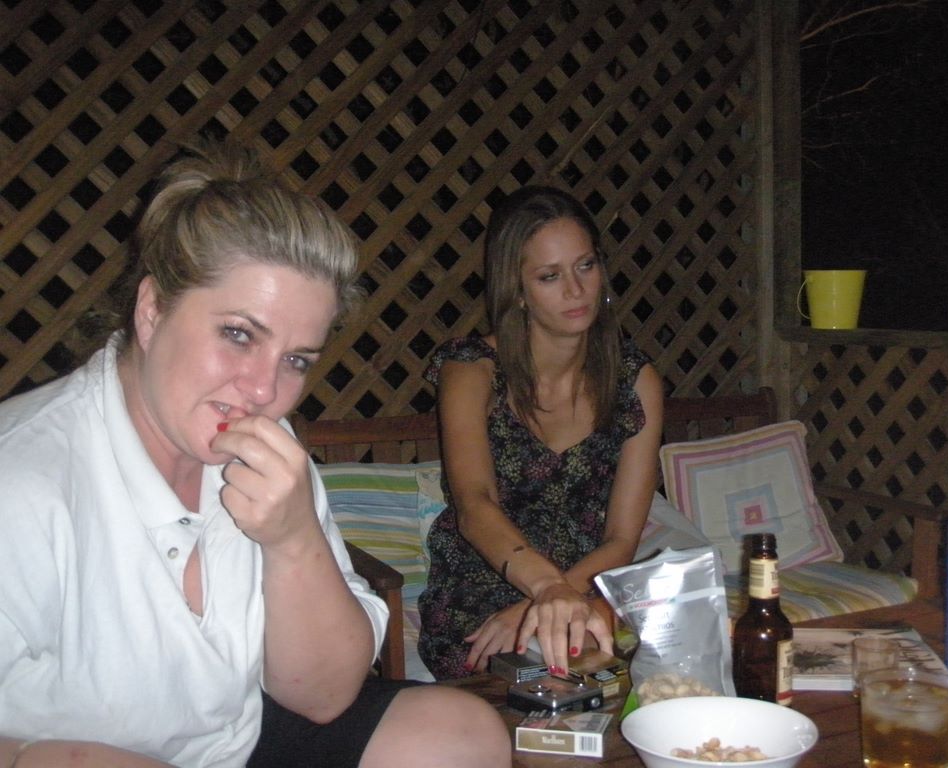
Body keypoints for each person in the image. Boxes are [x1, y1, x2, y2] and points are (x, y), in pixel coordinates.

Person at [0, 138, 510, 768]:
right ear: (152, 311)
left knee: (460, 734)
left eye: (295, 359)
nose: (265, 392)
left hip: (233, 741)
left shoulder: (268, 446)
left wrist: (293, 539)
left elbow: (322, 696)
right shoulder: (22, 482)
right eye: (239, 334)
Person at [417, 185, 664, 680]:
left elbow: (621, 539)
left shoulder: (635, 382)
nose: (575, 290)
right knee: (522, 677)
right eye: (550, 276)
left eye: (585, 266)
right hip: (486, 584)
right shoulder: (472, 370)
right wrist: (542, 591)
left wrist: (554, 597)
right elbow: (475, 505)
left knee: (635, 665)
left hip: (586, 586)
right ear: (517, 290)